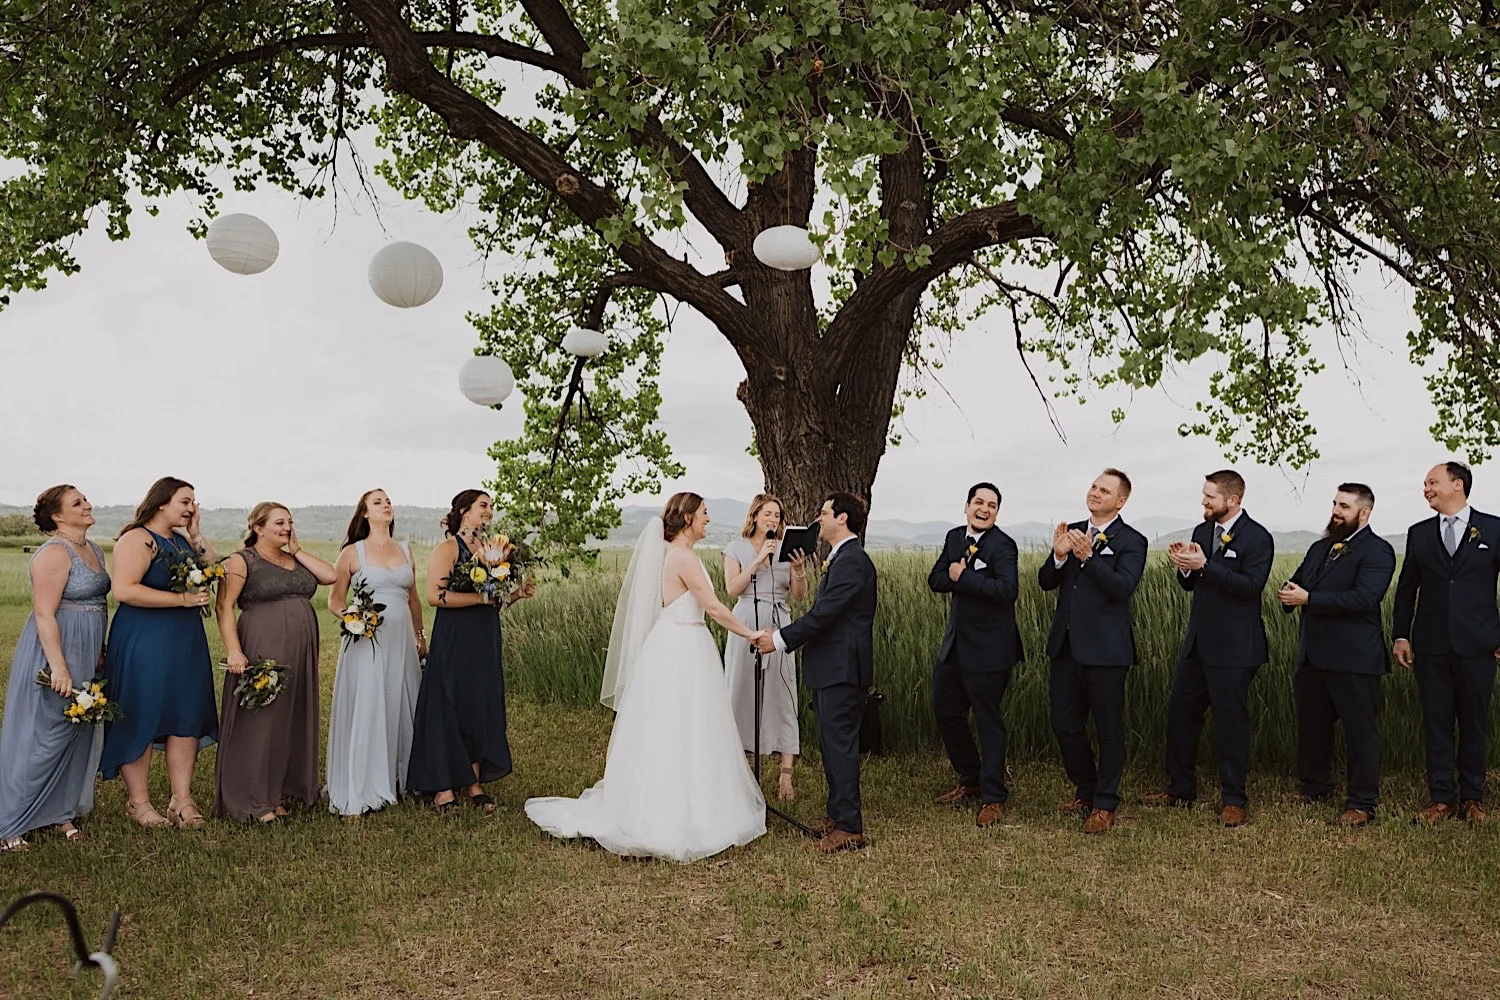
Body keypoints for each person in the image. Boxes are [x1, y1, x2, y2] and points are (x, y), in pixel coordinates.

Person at [526, 493, 768, 862]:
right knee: (678, 723)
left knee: (690, 723)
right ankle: (672, 810)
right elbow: (713, 606)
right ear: (687, 518)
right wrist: (749, 633)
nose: (708, 518)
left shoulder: (679, 553)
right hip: (682, 647)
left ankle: (693, 799)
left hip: (686, 641)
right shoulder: (683, 557)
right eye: (704, 513)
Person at [1144, 470, 1273, 828]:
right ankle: (1180, 789)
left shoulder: (1258, 537)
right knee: (1180, 713)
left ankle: (1234, 799)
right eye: (1204, 495)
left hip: (1235, 648)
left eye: (1210, 497)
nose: (1203, 501)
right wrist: (1185, 568)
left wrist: (1206, 565)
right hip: (1198, 644)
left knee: (1230, 722)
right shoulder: (1202, 532)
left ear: (1233, 500)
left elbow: (1250, 586)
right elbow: (1192, 584)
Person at [757, 492, 878, 853]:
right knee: (831, 743)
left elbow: (824, 615)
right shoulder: (840, 558)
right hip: (832, 666)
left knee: (840, 746)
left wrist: (778, 639)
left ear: (842, 518)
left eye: (824, 513)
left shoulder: (852, 561)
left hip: (843, 668)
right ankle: (837, 814)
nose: (818, 519)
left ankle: (849, 827)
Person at [99, 477, 219, 830]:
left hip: (185, 639)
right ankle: (138, 802)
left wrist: (196, 535)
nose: (191, 508)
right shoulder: (138, 539)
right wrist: (181, 599)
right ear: (162, 502)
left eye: (193, 502)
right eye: (185, 501)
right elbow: (124, 590)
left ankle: (181, 799)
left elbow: (214, 568)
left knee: (186, 712)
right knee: (142, 711)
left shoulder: (181, 541)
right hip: (145, 637)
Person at [409, 490, 534, 813]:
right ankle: (442, 788)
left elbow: (494, 601)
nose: (489, 510)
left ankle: (474, 783)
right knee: (450, 704)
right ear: (465, 511)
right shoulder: (448, 549)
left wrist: (516, 594)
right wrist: (482, 599)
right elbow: (435, 596)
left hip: (484, 636)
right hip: (455, 637)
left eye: (491, 506)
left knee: (479, 704)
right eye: (483, 505)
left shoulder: (494, 550)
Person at [1278, 483, 1396, 827]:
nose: (1335, 511)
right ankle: (1314, 787)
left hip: (1354, 658)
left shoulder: (1378, 551)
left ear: (1364, 512)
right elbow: (1299, 580)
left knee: (1360, 732)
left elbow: (1364, 599)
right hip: (1313, 655)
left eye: (1344, 506)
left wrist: (1309, 599)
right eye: (1334, 503)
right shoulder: (1320, 548)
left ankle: (1362, 802)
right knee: (1312, 726)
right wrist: (1288, 593)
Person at [0, 486, 110, 851]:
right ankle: (10, 822)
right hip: (57, 650)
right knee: (43, 735)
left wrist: (99, 649)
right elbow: (44, 613)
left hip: (87, 648)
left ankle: (59, 812)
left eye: (86, 499)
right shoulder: (54, 554)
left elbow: (98, 604)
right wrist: (59, 668)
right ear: (58, 516)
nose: (88, 504)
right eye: (78, 503)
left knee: (75, 732)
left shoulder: (93, 549)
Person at [1038, 469, 1147, 834]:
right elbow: (1045, 582)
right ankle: (1085, 789)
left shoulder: (1133, 541)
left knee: (1108, 727)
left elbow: (1121, 588)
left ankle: (1104, 803)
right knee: (1063, 723)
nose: (1096, 493)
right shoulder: (1072, 531)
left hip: (1107, 651)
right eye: (1094, 486)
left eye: (1105, 490)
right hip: (1066, 647)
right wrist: (1058, 556)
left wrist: (1088, 557)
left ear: (1121, 501)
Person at [212, 503, 336, 823]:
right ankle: (253, 798)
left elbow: (330, 575)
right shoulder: (242, 560)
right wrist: (235, 651)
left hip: (300, 650)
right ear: (258, 528)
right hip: (263, 645)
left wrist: (297, 549)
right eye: (279, 523)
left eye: (290, 522)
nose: (287, 527)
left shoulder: (294, 557)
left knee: (290, 718)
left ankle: (278, 792)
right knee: (262, 720)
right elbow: (224, 607)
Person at [1392, 461, 1500, 823]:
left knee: (1474, 723)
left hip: (1479, 644)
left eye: (1432, 482)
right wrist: (1401, 634)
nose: (1426, 489)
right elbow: (1406, 589)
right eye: (1425, 484)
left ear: (1458, 484)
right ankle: (1441, 799)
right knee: (1436, 722)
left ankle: (1473, 798)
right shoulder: (1419, 533)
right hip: (1431, 644)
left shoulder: (1494, 528)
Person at [926, 483, 1023, 828]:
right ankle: (970, 779)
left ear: (997, 512)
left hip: (990, 649)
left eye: (992, 505)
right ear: (966, 506)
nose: (984, 509)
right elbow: (936, 579)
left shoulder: (1004, 545)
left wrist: (964, 577)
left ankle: (993, 796)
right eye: (978, 502)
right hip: (956, 645)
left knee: (987, 720)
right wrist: (958, 577)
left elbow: (1008, 590)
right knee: (946, 710)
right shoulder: (954, 537)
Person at [326, 489, 427, 818]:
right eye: (378, 502)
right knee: (370, 703)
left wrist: (420, 637)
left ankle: (400, 777)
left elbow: (414, 600)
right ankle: (363, 782)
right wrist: (354, 620)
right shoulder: (351, 553)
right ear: (365, 513)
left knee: (400, 700)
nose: (386, 505)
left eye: (388, 501)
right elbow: (335, 600)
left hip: (401, 641)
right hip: (366, 640)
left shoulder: (406, 549)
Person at [722, 493, 808, 801]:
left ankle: (786, 775)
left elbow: (799, 595)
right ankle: (735, 770)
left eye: (777, 515)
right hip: (746, 621)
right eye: (768, 513)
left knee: (783, 694)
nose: (773, 519)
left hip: (778, 623)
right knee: (739, 690)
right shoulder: (735, 549)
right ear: (755, 516)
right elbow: (733, 589)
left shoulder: (787, 549)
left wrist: (798, 570)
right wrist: (758, 560)